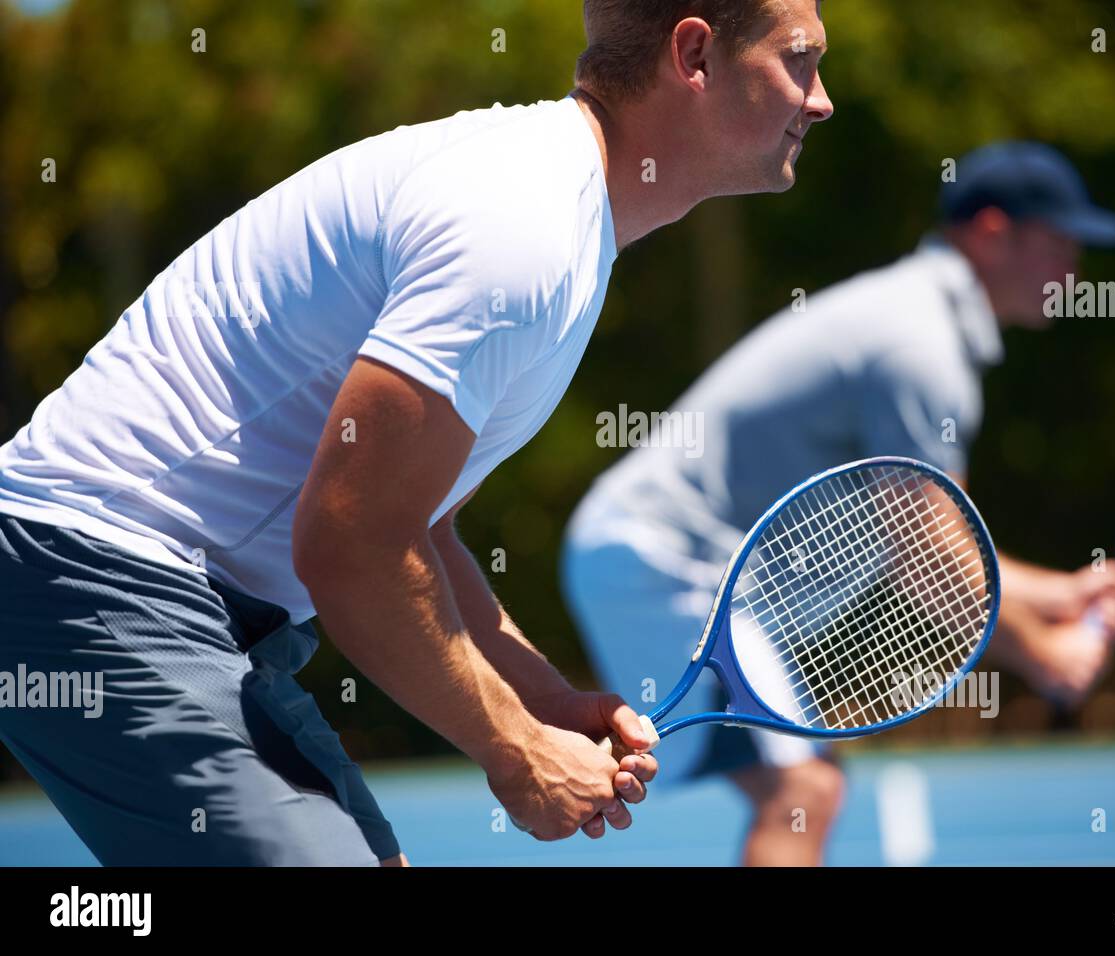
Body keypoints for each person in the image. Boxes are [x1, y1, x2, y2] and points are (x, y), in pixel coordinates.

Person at [0, 0, 833, 865]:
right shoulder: (524, 231)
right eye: (800, 59)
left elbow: (416, 524)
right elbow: (353, 543)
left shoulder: (561, 221)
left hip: (149, 592)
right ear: (694, 55)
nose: (821, 100)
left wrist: (539, 698)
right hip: (95, 572)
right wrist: (514, 748)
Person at [561, 141, 1115, 867]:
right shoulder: (921, 344)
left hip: (664, 561)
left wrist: (1064, 590)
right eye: (1060, 243)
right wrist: (1045, 651)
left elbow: (939, 540)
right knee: (803, 791)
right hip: (664, 563)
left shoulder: (916, 321)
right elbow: (930, 559)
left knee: (807, 788)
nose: (1074, 270)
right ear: (994, 232)